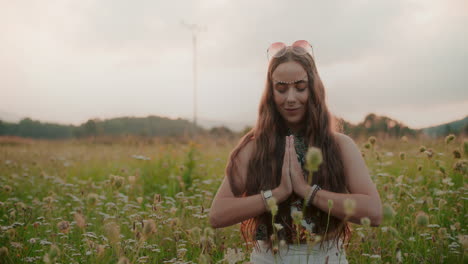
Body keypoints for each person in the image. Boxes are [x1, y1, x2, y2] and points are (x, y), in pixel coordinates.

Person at [209, 40, 383, 263]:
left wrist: (307, 191)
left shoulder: (340, 146)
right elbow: (217, 214)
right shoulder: (255, 147)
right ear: (270, 93)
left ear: (314, 88)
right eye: (281, 89)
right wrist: (277, 194)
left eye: (300, 88)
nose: (291, 98)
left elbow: (375, 213)